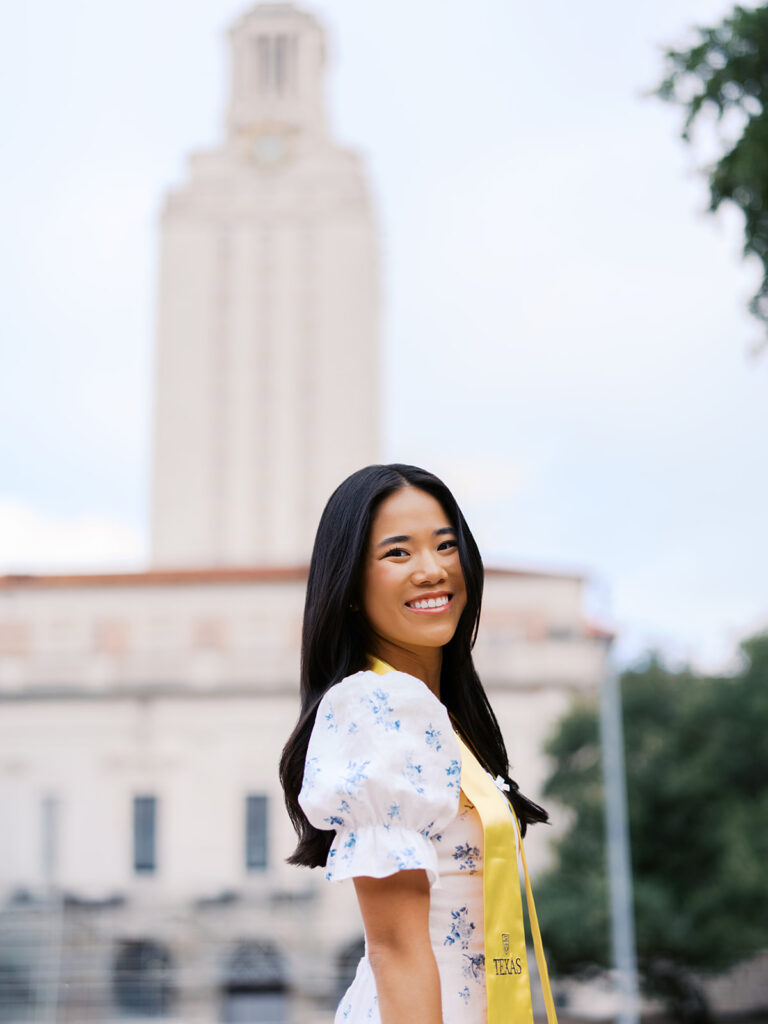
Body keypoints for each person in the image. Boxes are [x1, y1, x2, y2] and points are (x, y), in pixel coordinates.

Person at [280, 464, 557, 1024]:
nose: (433, 570)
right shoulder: (376, 707)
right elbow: (397, 951)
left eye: (446, 545)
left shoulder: (438, 714)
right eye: (398, 554)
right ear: (351, 587)